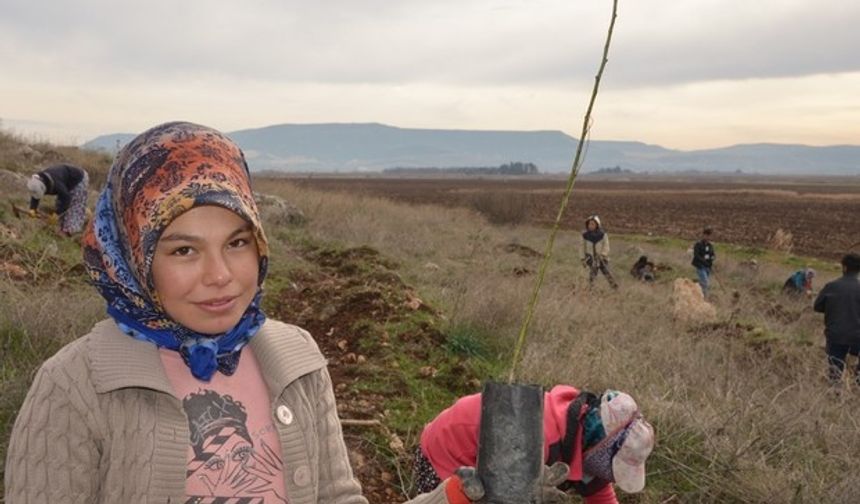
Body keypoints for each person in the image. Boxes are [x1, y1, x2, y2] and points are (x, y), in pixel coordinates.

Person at [5, 122, 475, 503]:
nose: (220, 275)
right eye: (184, 250)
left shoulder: (296, 359)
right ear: (132, 258)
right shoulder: (75, 384)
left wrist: (454, 497)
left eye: (237, 243)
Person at [415, 385, 655, 503]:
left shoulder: (582, 430)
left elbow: (598, 491)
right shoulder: (540, 444)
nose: (608, 474)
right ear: (598, 448)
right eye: (610, 466)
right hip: (448, 455)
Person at [813, 253, 860, 386]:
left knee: (835, 371)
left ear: (844, 268)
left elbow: (817, 307)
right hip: (858, 337)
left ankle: (835, 395)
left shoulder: (831, 286)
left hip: (836, 336)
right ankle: (856, 389)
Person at [26, 163, 89, 235]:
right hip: (65, 182)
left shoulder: (56, 183)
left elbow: (66, 198)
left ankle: (70, 231)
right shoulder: (37, 181)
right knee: (60, 204)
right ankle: (62, 227)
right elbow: (35, 194)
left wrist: (57, 214)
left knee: (74, 207)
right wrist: (33, 208)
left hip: (79, 179)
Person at [581, 215, 618, 289]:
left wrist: (603, 254)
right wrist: (582, 258)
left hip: (601, 258)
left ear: (597, 225)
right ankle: (590, 287)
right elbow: (582, 247)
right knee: (592, 272)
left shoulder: (603, 235)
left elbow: (606, 246)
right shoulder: (585, 235)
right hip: (590, 257)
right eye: (589, 224)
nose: (590, 226)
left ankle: (614, 286)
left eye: (593, 224)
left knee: (606, 272)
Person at [691, 227, 716, 298]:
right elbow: (696, 255)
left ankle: (695, 284)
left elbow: (712, 254)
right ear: (703, 235)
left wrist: (713, 258)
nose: (707, 237)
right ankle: (704, 298)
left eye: (709, 235)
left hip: (708, 267)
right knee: (705, 282)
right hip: (700, 266)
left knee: (703, 282)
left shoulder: (710, 245)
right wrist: (703, 261)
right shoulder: (698, 244)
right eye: (706, 235)